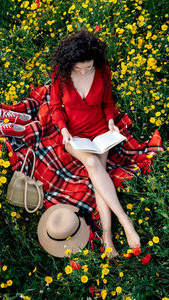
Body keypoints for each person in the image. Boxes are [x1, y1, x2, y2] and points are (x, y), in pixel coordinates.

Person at [49, 29, 140, 257]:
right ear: (70, 62)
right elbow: (55, 107)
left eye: (88, 66)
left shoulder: (102, 70)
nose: (84, 70)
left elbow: (108, 101)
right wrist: (63, 129)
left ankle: (107, 237)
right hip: (73, 134)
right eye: (79, 68)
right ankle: (125, 221)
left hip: (100, 130)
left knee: (97, 172)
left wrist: (110, 121)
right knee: (91, 162)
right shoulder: (60, 73)